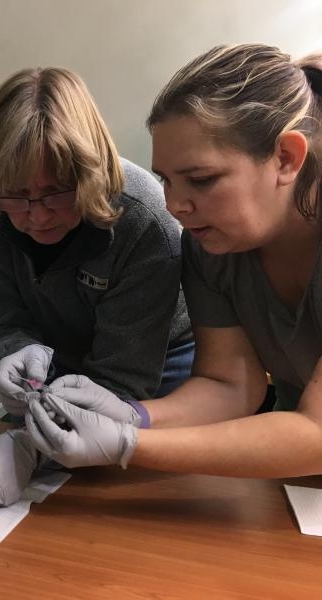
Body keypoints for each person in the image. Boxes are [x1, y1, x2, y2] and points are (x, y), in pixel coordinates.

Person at [24, 43, 322, 478]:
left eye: (201, 179)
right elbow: (230, 385)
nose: (174, 205)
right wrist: (132, 417)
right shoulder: (211, 249)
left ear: (286, 158)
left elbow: (316, 432)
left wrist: (129, 444)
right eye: (165, 180)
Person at [0, 67, 194, 512]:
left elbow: (124, 381)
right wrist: (9, 350)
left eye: (57, 192)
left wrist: (28, 445)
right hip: (54, 362)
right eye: (15, 195)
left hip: (156, 364)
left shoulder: (146, 222)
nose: (36, 216)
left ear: (90, 174)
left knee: (134, 500)